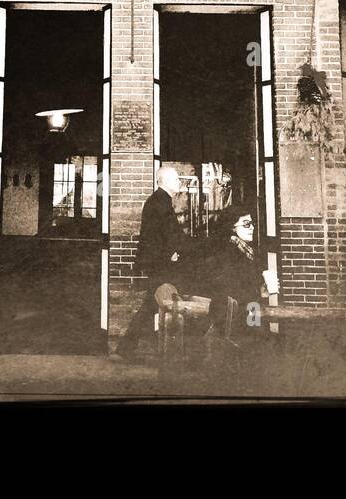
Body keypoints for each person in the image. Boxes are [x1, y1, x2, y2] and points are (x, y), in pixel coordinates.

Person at [116, 165, 187, 360]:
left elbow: (158, 235)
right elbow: (156, 237)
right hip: (161, 264)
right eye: (176, 179)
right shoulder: (160, 202)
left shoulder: (160, 200)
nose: (179, 182)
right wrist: (170, 254)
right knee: (159, 302)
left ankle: (127, 347)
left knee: (153, 303)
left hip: (157, 262)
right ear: (165, 181)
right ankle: (133, 348)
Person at [202, 206, 277, 386]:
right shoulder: (227, 252)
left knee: (257, 340)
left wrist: (262, 287)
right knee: (252, 342)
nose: (252, 227)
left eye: (252, 223)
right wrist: (258, 287)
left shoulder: (246, 251)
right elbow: (228, 285)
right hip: (235, 311)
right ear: (232, 229)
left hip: (249, 307)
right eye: (246, 224)